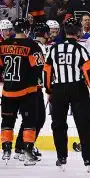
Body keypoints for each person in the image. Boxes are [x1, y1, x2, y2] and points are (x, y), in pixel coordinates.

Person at [43, 18, 90, 172]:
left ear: (65, 32)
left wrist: (48, 90)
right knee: (84, 125)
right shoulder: (80, 49)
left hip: (58, 89)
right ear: (79, 32)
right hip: (78, 89)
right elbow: (88, 70)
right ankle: (88, 159)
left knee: (58, 125)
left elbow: (47, 71)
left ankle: (61, 157)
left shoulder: (54, 49)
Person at [0, 18, 44, 166]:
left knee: (7, 121)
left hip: (7, 91)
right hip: (27, 91)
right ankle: (27, 151)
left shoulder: (3, 45)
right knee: (29, 122)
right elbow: (39, 68)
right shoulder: (32, 45)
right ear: (27, 30)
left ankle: (6, 149)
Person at [13, 22, 50, 161]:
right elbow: (42, 68)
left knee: (31, 119)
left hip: (30, 87)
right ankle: (24, 147)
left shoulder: (32, 45)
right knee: (37, 119)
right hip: (33, 88)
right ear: (45, 34)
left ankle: (21, 147)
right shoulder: (37, 46)